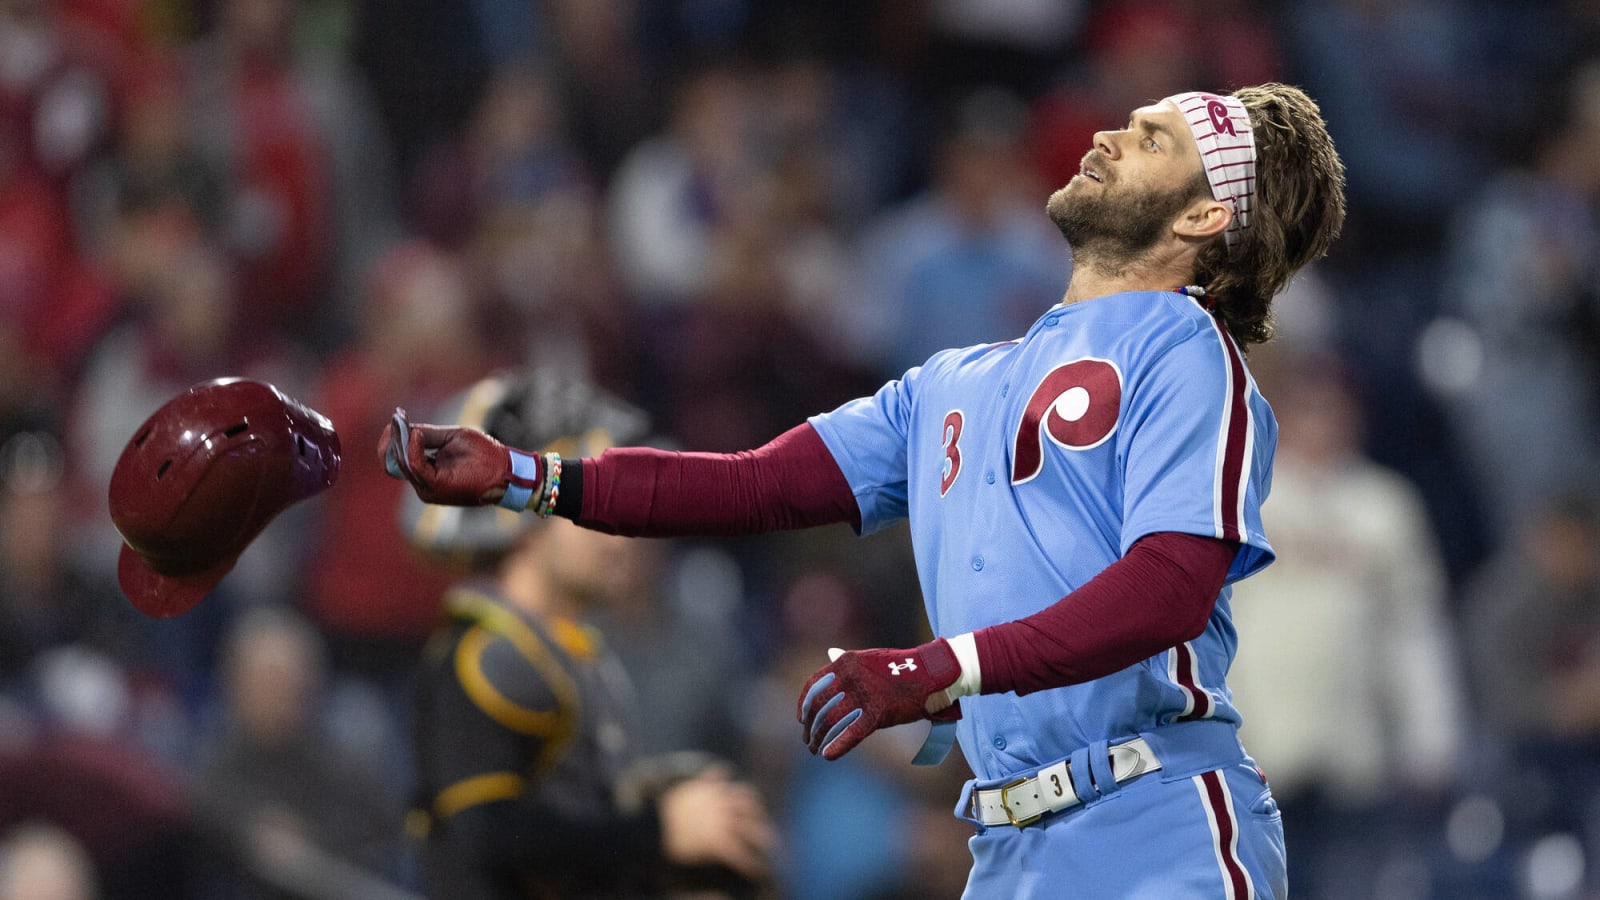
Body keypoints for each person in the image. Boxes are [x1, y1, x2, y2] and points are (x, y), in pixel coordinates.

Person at [382, 83, 1346, 898]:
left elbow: (1171, 585)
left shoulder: (1186, 352)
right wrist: (527, 477)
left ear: (1203, 216)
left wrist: (943, 666)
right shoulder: (952, 379)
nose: (1105, 136)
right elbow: (753, 486)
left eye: (1152, 140)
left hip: (1155, 826)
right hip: (1010, 849)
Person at [397, 371, 776, 900]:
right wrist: (660, 830)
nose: (619, 530)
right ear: (517, 518)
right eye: (585, 504)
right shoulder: (490, 655)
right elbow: (483, 839)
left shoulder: (566, 649)